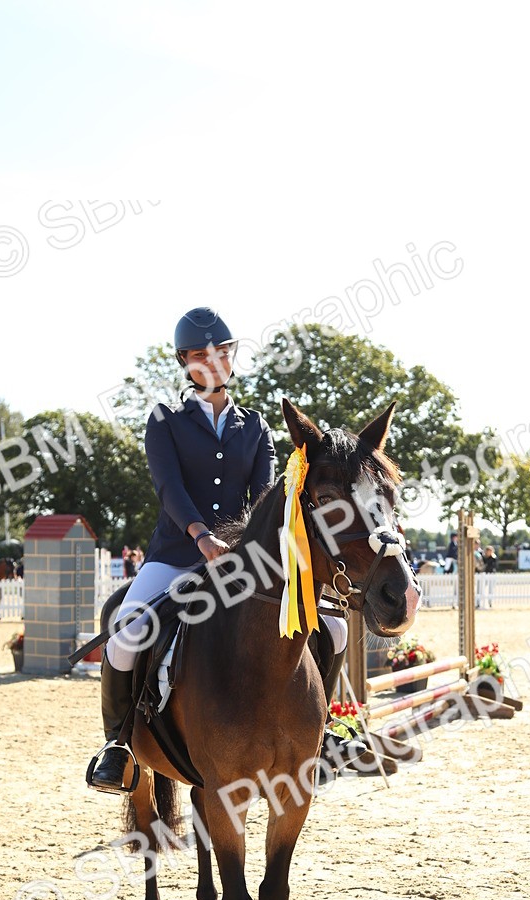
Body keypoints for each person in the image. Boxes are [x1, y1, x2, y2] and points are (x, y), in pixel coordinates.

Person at [88, 306, 367, 793]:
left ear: (232, 357)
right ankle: (118, 745)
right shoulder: (165, 420)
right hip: (177, 553)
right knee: (127, 633)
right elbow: (169, 488)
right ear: (184, 362)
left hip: (242, 561)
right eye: (199, 355)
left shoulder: (255, 426)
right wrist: (201, 536)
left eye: (220, 352)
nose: (211, 361)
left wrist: (250, 547)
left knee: (337, 626)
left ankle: (322, 730)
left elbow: (265, 497)